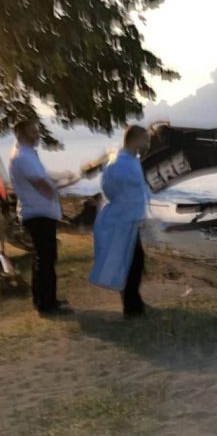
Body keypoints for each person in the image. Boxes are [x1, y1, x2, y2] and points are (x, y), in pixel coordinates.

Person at [8, 120, 70, 315]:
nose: (37, 135)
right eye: (33, 132)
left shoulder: (26, 154)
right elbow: (41, 185)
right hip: (38, 214)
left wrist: (59, 180)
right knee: (46, 259)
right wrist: (62, 187)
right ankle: (46, 303)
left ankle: (43, 299)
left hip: (38, 213)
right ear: (21, 134)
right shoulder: (23, 157)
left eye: (36, 131)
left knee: (42, 258)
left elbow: (42, 178)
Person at [89, 125, 151, 318]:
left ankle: (134, 300)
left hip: (131, 219)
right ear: (136, 139)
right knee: (132, 262)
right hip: (123, 219)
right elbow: (108, 188)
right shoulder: (118, 163)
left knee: (134, 261)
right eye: (145, 139)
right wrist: (124, 206)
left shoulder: (132, 160)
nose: (147, 143)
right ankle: (132, 306)